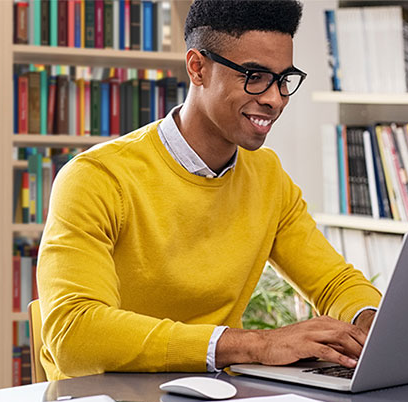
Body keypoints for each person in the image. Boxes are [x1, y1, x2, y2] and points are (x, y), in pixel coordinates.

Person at [37, 0, 381, 381]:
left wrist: (370, 324)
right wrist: (256, 345)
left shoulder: (267, 177)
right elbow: (74, 334)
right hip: (105, 398)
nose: (275, 98)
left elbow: (334, 282)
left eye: (284, 79)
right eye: (254, 75)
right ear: (197, 68)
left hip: (211, 394)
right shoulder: (96, 178)